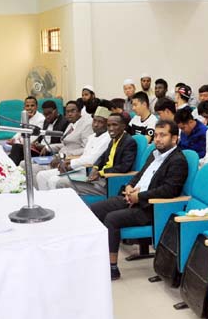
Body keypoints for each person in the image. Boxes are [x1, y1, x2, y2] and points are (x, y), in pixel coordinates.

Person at [90, 121, 187, 280]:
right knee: (95, 209)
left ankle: (112, 268)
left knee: (112, 218)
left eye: (163, 135)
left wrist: (139, 196)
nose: (157, 139)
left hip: (149, 208)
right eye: (156, 135)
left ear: (174, 138)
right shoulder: (154, 154)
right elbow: (140, 175)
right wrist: (129, 186)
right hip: (132, 197)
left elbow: (170, 190)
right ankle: (97, 258)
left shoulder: (178, 160)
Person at [37, 106, 110, 191]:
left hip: (88, 171)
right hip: (78, 167)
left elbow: (92, 160)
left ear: (107, 124)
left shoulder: (107, 138)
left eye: (100, 122)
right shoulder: (92, 136)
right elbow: (84, 156)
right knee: (41, 175)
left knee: (53, 180)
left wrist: (70, 163)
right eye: (94, 121)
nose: (96, 124)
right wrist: (67, 161)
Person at [73, 113, 138, 197]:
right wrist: (95, 167)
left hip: (109, 182)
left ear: (123, 126)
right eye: (108, 125)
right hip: (100, 179)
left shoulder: (128, 142)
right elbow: (103, 156)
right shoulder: (114, 139)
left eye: (114, 125)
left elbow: (124, 167)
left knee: (64, 184)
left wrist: (101, 173)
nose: (111, 129)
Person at [8, 99, 68, 165]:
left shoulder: (64, 122)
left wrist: (46, 147)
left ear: (55, 111)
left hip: (47, 151)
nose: (47, 116)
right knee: (16, 152)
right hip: (38, 148)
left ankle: (11, 168)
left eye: (49, 113)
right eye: (45, 114)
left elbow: (64, 143)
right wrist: (35, 143)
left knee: (17, 149)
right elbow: (41, 136)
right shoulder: (46, 121)